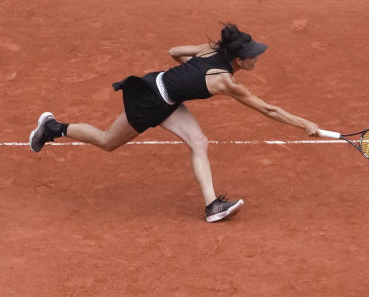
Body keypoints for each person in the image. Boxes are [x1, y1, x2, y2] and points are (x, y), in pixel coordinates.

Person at [29, 23, 323, 221]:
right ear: (238, 60)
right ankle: (53, 128)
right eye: (252, 56)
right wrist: (305, 124)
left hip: (164, 93)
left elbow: (174, 53)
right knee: (107, 141)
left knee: (199, 142)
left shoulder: (210, 51)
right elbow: (268, 110)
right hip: (150, 100)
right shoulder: (225, 81)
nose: (256, 59)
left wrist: (186, 78)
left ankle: (212, 206)